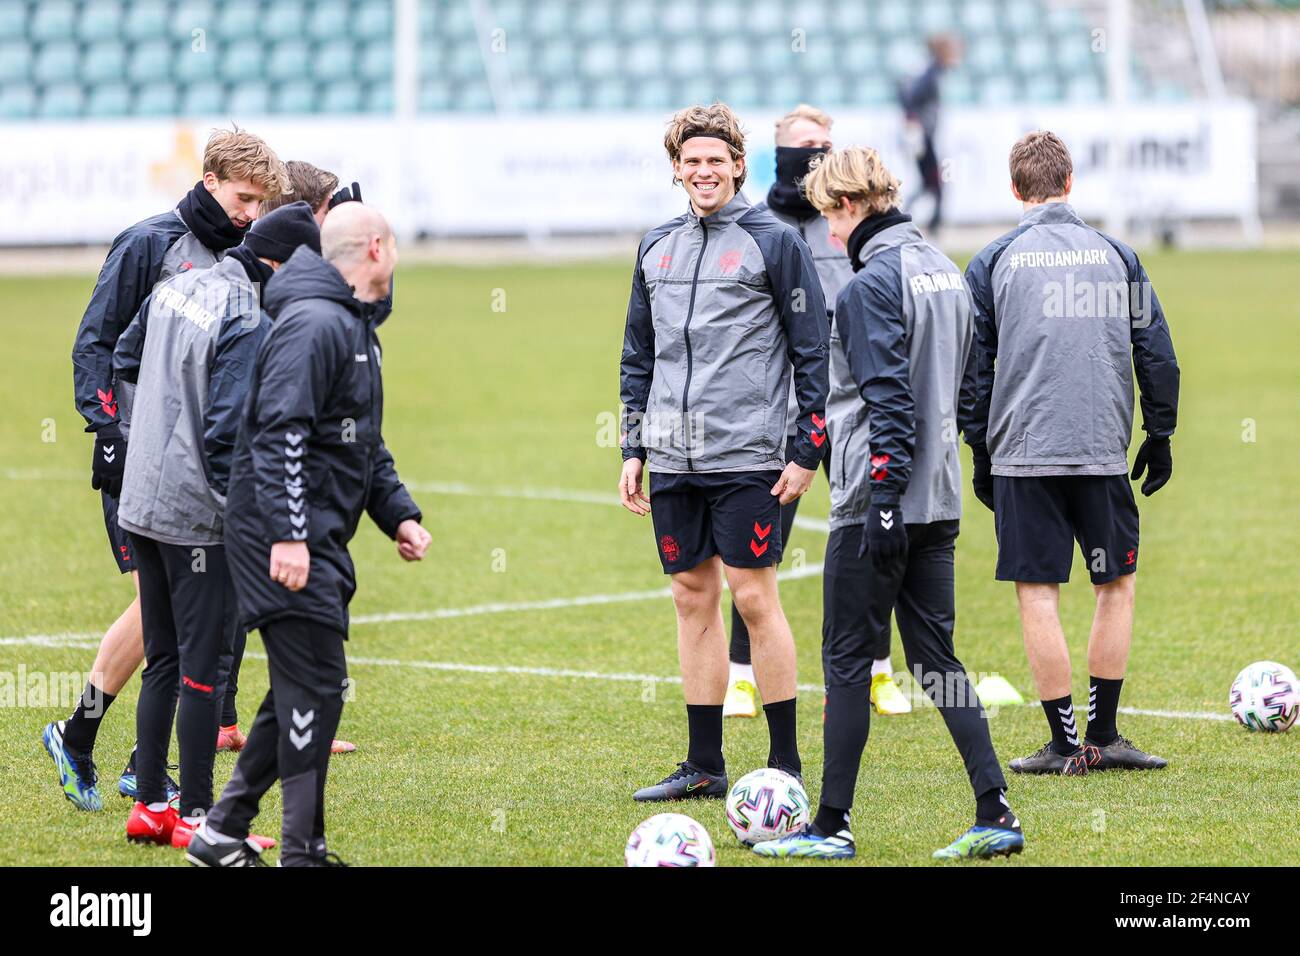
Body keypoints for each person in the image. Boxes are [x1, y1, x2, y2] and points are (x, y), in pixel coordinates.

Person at [754, 146, 1023, 861]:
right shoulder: (944, 268)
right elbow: (972, 389)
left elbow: (888, 403)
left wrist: (879, 503)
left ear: (848, 204)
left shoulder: (871, 284)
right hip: (939, 502)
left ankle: (830, 826)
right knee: (938, 661)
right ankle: (996, 810)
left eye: (829, 220)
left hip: (879, 505)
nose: (830, 238)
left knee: (845, 660)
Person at [48, 127, 285, 811]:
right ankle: (89, 738)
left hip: (195, 469)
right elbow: (95, 342)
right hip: (143, 461)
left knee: (170, 616)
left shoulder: (238, 259)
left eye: (260, 204)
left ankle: (122, 755)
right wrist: (109, 430)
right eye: (243, 197)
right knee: (164, 613)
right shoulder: (149, 243)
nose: (249, 213)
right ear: (210, 177)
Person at [187, 203, 431, 867]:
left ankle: (220, 832)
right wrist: (290, 537)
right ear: (376, 248)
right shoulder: (316, 323)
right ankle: (303, 852)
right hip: (282, 535)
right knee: (319, 686)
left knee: (307, 685)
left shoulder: (349, 325)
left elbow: (358, 438)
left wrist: (398, 513)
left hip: (311, 531)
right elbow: (279, 434)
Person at [618, 102, 829, 802]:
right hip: (674, 457)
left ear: (739, 165)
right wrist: (633, 444)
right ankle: (705, 765)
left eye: (716, 160)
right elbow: (638, 353)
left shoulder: (776, 241)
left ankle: (786, 764)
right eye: (692, 162)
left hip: (749, 454)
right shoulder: (656, 244)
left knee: (752, 596)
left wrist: (806, 447)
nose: (704, 172)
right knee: (690, 595)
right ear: (677, 170)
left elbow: (811, 348)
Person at [963, 131, 1179, 776]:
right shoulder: (1117, 254)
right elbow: (1157, 353)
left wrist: (979, 448)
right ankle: (1105, 735)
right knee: (1115, 583)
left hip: (1023, 455)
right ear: (1069, 181)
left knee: (1038, 592)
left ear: (1014, 189)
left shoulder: (993, 260)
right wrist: (1159, 433)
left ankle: (1062, 744)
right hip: (1100, 450)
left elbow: (972, 369)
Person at [111, 202, 321, 851]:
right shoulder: (246, 316)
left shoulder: (175, 286)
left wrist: (151, 439)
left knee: (163, 661)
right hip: (196, 518)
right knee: (205, 669)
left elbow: (124, 357)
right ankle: (200, 817)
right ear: (279, 263)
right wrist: (251, 526)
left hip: (141, 502)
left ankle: (150, 806)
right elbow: (226, 432)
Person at [725, 104, 910, 721]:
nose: (819, 153)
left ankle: (880, 670)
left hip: (855, 405)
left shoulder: (853, 218)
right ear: (780, 152)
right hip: (785, 408)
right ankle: (741, 675)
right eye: (807, 144)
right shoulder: (762, 222)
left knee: (869, 530)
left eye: (827, 143)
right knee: (760, 539)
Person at [216, 160, 364, 759]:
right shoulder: (266, 291)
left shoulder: (302, 289)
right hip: (240, 477)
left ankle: (271, 720)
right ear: (307, 214)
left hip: (254, 476)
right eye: (333, 208)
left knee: (241, 605)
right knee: (209, 608)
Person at [898, 34, 961, 233]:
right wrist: (914, 121)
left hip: (923, 137)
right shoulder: (930, 73)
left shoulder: (929, 70)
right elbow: (910, 96)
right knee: (935, 182)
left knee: (930, 183)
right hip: (923, 138)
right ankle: (929, 226)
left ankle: (907, 217)